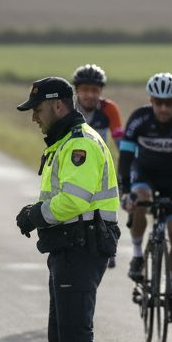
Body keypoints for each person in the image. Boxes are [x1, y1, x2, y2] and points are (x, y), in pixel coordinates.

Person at [14, 76, 120, 342]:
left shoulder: (81, 145)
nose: (34, 119)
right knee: (59, 332)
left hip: (82, 245)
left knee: (75, 332)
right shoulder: (63, 143)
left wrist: (34, 215)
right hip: (67, 245)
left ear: (58, 105)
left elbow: (73, 201)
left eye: (38, 111)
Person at [118, 72, 172, 324]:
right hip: (143, 173)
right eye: (158, 102)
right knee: (140, 198)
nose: (163, 108)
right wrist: (125, 192)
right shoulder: (139, 119)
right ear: (151, 100)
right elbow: (124, 159)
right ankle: (137, 254)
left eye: (169, 103)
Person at [72, 63, 125, 269]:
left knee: (106, 205)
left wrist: (126, 169)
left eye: (95, 90)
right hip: (76, 164)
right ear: (77, 91)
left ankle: (108, 243)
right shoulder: (70, 107)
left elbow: (121, 142)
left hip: (101, 165)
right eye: (85, 90)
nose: (90, 95)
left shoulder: (109, 109)